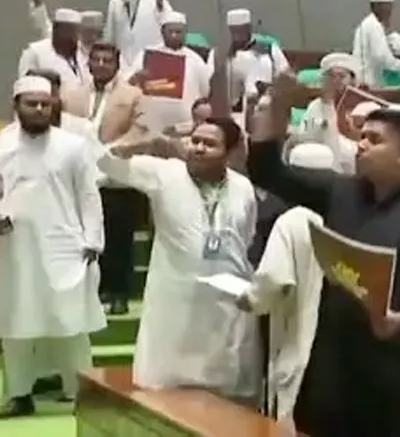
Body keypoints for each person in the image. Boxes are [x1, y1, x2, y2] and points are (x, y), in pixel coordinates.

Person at [247, 72, 400, 436]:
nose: (361, 145)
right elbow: (267, 171)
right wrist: (279, 106)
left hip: (397, 380)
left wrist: (399, 321)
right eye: (361, 136)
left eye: (375, 140)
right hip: (334, 370)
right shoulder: (340, 193)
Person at [97, 117, 260, 401]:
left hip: (224, 303)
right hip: (174, 299)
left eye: (210, 144)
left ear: (230, 153)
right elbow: (103, 161)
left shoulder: (243, 187)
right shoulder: (165, 173)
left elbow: (245, 237)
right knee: (166, 389)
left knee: (224, 391)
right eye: (195, 140)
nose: (199, 148)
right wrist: (144, 143)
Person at [0, 76, 105, 417]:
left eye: (45, 104)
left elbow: (89, 195)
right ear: (16, 106)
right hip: (14, 249)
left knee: (70, 323)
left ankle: (82, 392)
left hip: (65, 247)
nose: (39, 109)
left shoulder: (72, 146)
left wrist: (93, 240)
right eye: (32, 104)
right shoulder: (2, 145)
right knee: (15, 324)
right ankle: (19, 395)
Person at [236, 143, 334, 426]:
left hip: (294, 329)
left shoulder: (291, 218)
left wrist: (250, 299)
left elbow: (272, 279)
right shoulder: (350, 214)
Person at [60, 42, 150, 315]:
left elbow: (141, 130)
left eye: (107, 60)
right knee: (82, 237)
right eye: (96, 59)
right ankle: (91, 291)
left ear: (117, 65)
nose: (101, 65)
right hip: (79, 175)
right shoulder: (71, 94)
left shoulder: (133, 95)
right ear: (88, 63)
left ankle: (119, 292)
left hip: (116, 175)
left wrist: (108, 151)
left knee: (118, 237)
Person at [128, 11, 213, 131]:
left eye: (178, 32)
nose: (174, 36)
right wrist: (138, 77)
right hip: (149, 124)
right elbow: (127, 83)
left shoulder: (195, 60)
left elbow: (205, 91)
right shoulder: (146, 55)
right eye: (170, 32)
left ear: (185, 32)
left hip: (184, 125)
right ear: (162, 32)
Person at [207, 9, 291, 112]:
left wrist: (271, 91)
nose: (237, 35)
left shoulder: (269, 49)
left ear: (249, 28)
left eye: (241, 30)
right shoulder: (218, 54)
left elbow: (286, 76)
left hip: (265, 108)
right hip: (231, 110)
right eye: (234, 31)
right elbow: (209, 83)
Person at [294, 52, 361, 149]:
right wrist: (327, 106)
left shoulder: (362, 106)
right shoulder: (316, 106)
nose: (336, 81)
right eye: (331, 76)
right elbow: (306, 136)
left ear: (352, 81)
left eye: (341, 76)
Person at [18, 8, 90, 91]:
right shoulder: (35, 52)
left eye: (76, 32)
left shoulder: (82, 53)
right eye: (68, 31)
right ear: (56, 30)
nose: (73, 37)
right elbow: (24, 84)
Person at [351, 0, 400, 88]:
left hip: (363, 79)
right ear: (375, 7)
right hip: (368, 83)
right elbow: (382, 57)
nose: (389, 12)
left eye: (390, 8)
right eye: (386, 8)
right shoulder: (374, 26)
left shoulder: (367, 23)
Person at [105, 0, 171, 63]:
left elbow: (169, 25)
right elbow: (110, 34)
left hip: (150, 57)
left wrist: (160, 3)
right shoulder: (114, 2)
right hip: (123, 59)